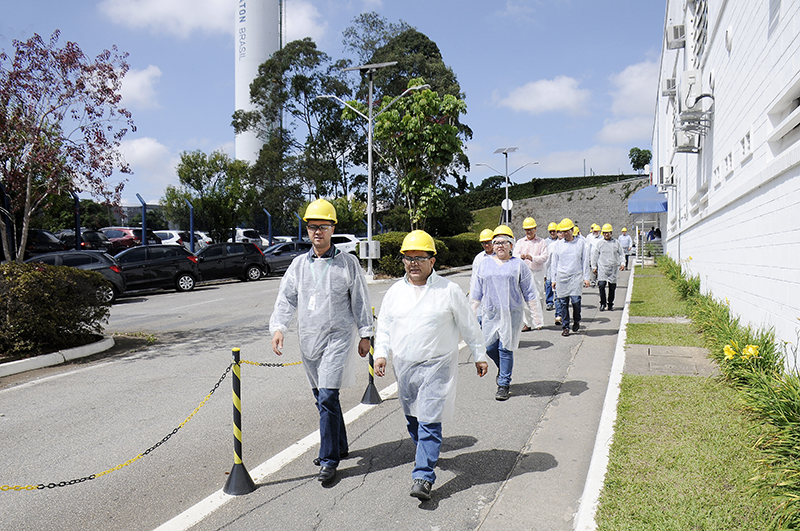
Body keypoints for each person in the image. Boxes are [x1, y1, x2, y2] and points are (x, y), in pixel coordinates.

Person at [373, 230, 488, 501]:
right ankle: (425, 452)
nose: (413, 263)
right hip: (404, 367)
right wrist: (381, 354)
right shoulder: (395, 292)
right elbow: (385, 326)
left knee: (428, 419)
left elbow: (468, 325)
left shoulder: (448, 291)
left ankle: (423, 475)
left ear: (432, 260)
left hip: (437, 366)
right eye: (408, 257)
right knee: (414, 420)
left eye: (419, 257)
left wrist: (479, 354)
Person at [269, 198, 374, 487]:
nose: (318, 232)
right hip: (309, 340)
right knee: (323, 397)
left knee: (328, 395)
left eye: (324, 226)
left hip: (338, 339)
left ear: (332, 229)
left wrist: (366, 334)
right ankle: (339, 445)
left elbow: (361, 301)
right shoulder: (298, 265)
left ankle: (329, 460)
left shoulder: (348, 263)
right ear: (307, 230)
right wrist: (279, 327)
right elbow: (286, 299)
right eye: (313, 226)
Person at [471, 225, 538, 401]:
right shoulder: (484, 264)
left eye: (504, 242)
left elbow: (529, 291)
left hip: (511, 313)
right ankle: (503, 369)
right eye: (497, 242)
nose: (500, 245)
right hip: (490, 313)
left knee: (505, 348)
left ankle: (504, 384)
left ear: (511, 245)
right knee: (489, 346)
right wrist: (472, 311)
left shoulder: (519, 265)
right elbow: (477, 289)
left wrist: (536, 316)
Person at [550, 218, 591, 337]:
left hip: (576, 275)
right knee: (563, 302)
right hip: (562, 276)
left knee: (575, 301)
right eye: (563, 231)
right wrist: (553, 279)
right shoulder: (557, 245)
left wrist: (586, 277)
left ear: (573, 230)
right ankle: (566, 326)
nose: (565, 233)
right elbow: (554, 262)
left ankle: (577, 319)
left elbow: (584, 261)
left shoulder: (581, 243)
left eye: (567, 231)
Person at [513, 217, 548, 331]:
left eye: (531, 229)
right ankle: (527, 323)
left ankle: (538, 321)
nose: (528, 232)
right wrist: (521, 257)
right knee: (524, 298)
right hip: (524, 273)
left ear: (535, 229)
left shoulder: (541, 242)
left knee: (539, 296)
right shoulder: (520, 242)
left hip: (537, 272)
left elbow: (545, 257)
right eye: (526, 229)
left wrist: (532, 258)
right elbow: (514, 255)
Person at [591, 224, 626, 311]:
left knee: (612, 287)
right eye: (605, 233)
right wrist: (594, 266)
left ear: (611, 233)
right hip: (602, 267)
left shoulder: (616, 243)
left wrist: (623, 263)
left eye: (608, 233)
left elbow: (621, 253)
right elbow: (595, 256)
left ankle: (610, 304)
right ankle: (603, 303)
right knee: (601, 285)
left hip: (613, 268)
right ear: (603, 233)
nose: (607, 234)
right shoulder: (600, 243)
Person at [543, 222, 559, 311]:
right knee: (548, 284)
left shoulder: (559, 241)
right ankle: (549, 302)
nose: (552, 233)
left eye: (554, 231)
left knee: (557, 286)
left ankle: (558, 301)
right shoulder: (546, 242)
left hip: (557, 267)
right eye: (551, 231)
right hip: (548, 267)